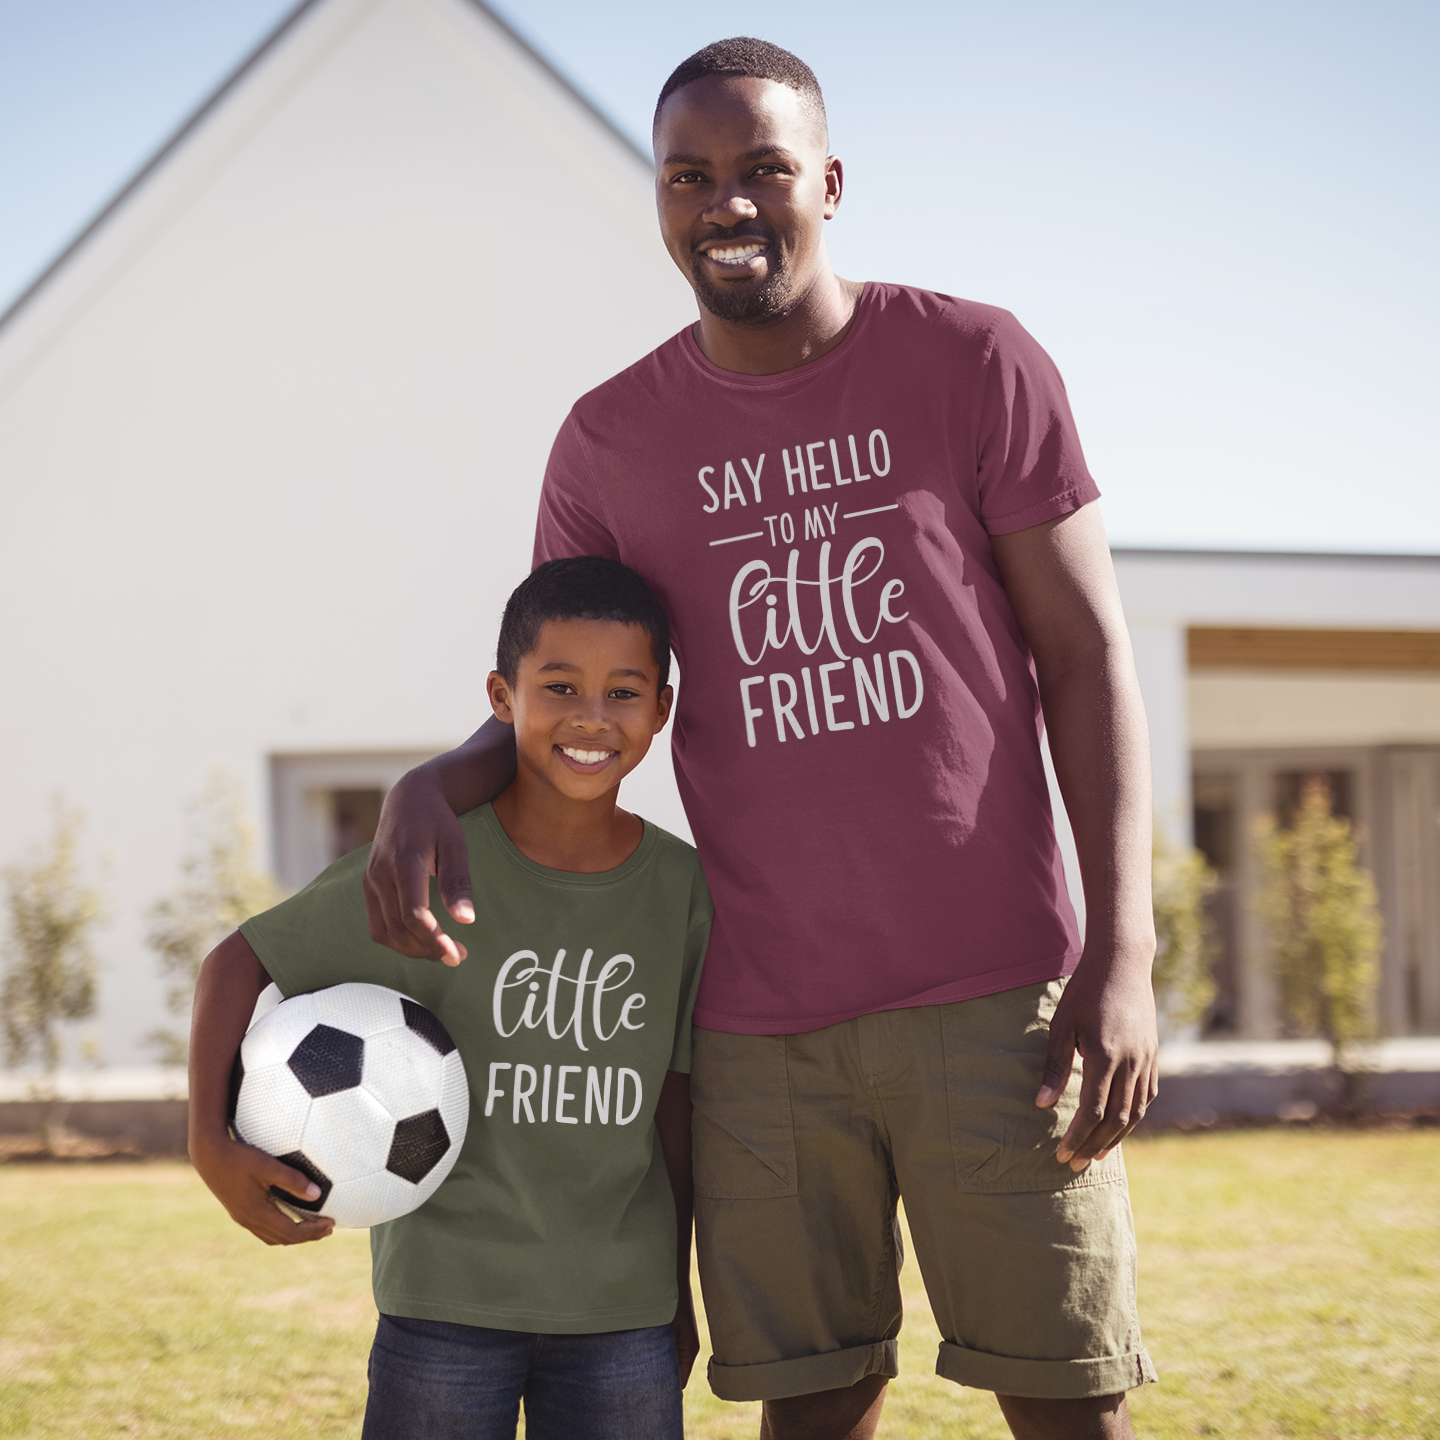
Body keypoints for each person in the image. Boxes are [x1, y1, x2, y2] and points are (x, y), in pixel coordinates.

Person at [363, 36, 1160, 1440]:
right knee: (810, 1399)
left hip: (995, 1002)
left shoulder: (974, 358)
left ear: (830, 182)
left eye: (763, 171)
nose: (728, 205)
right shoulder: (610, 441)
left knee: (1066, 1399)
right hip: (757, 1025)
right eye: (691, 177)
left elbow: (1089, 660)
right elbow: (568, 705)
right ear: (660, 201)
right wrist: (439, 777)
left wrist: (1126, 953)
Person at [188, 557, 711, 1440]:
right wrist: (208, 1139)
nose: (591, 717)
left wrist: (677, 1285)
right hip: (442, 1307)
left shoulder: (683, 890)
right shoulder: (426, 864)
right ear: (502, 698)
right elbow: (236, 963)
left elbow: (676, 1105)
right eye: (559, 686)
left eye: (624, 692)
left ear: (662, 709)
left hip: (619, 1313)